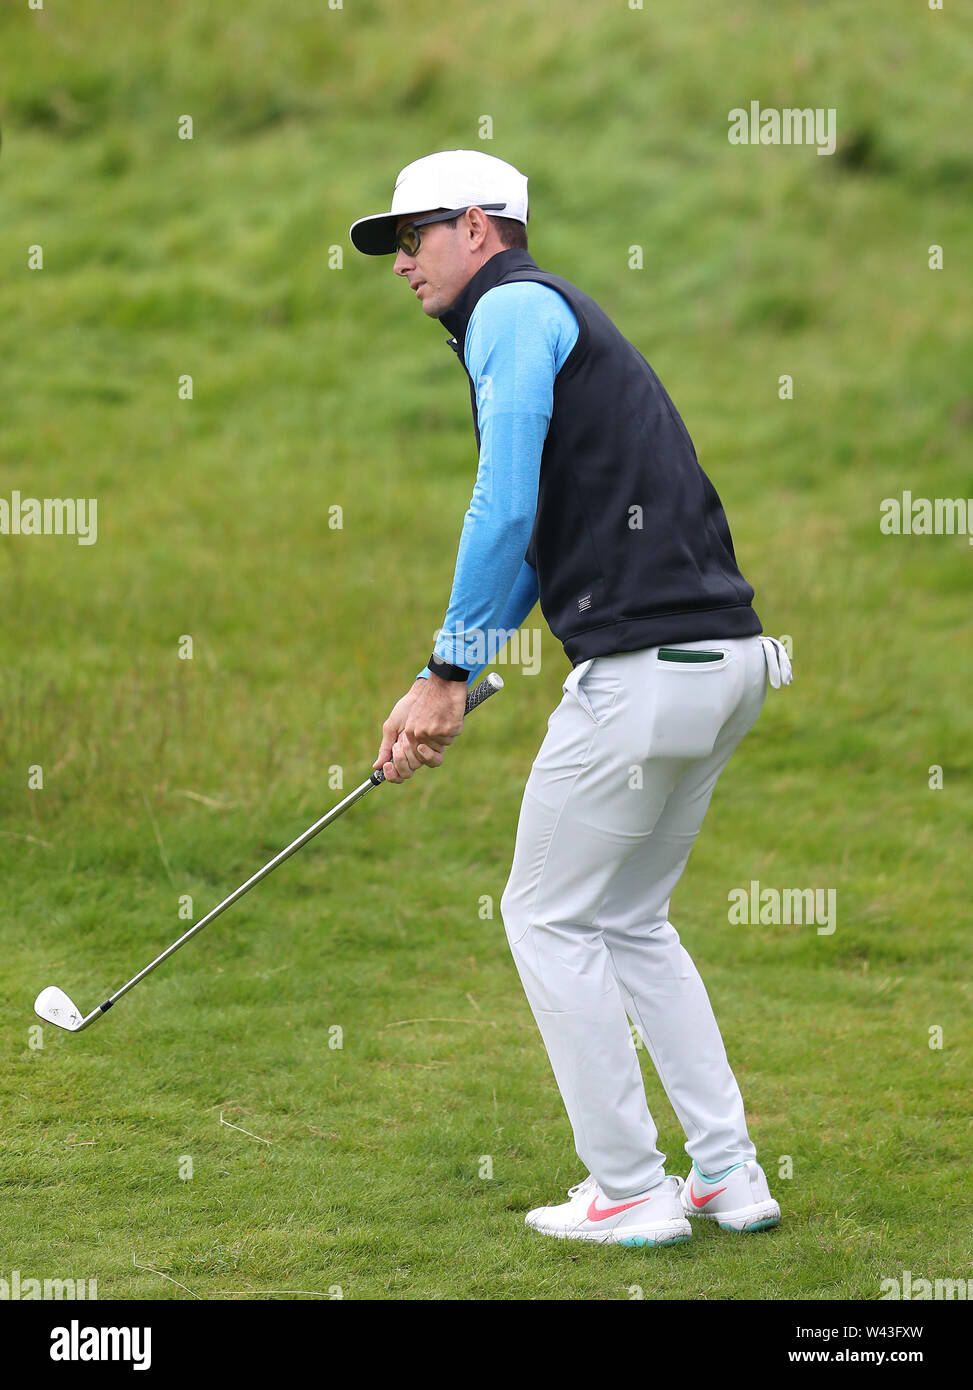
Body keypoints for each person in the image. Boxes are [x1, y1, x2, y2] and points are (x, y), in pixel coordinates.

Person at [349, 150, 792, 1247]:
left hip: (645, 675)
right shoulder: (554, 319)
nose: (401, 265)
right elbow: (540, 537)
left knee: (544, 913)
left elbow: (498, 504)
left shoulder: (509, 311)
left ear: (477, 226)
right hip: (727, 664)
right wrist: (453, 668)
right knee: (632, 917)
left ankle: (629, 1189)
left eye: (413, 238)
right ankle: (726, 1174)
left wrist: (446, 672)